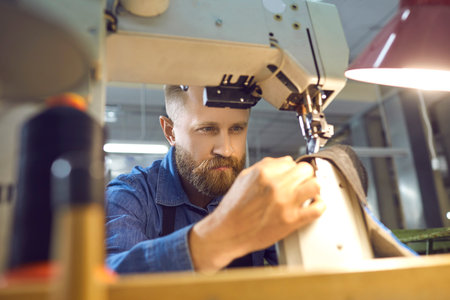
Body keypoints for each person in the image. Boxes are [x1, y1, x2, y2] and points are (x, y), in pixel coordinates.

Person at [105, 85, 325, 274]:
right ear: (170, 131)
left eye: (237, 128)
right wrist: (220, 236)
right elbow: (109, 281)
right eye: (207, 129)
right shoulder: (130, 194)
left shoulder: (258, 191)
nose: (227, 149)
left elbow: (317, 270)